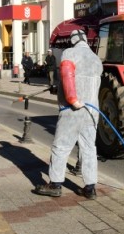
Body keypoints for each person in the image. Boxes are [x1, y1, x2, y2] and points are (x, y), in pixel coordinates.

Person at [32, 29, 103, 200]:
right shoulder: (96, 59)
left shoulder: (70, 53)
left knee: (61, 147)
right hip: (92, 112)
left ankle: (55, 184)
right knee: (88, 149)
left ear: (72, 41)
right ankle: (90, 187)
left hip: (73, 110)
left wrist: (72, 99)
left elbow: (66, 74)